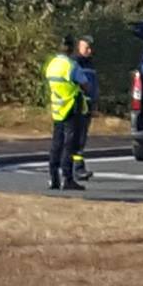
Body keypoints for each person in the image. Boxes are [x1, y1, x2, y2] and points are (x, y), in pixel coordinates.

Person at [44, 34, 91, 192]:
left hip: (57, 108)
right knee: (69, 145)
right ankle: (67, 178)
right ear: (72, 49)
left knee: (56, 143)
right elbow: (85, 85)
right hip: (71, 107)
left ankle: (53, 178)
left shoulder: (52, 64)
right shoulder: (71, 65)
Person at [72, 40, 99, 184]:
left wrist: (95, 103)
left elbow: (94, 85)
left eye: (90, 48)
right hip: (78, 105)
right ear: (78, 49)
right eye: (86, 48)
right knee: (77, 137)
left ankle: (77, 167)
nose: (89, 51)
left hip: (88, 104)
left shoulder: (90, 64)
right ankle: (76, 168)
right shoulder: (75, 63)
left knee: (82, 138)